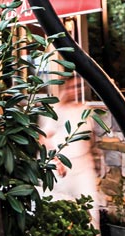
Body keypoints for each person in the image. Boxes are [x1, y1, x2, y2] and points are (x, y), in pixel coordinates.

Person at [39, 75, 100, 228]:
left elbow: (89, 140)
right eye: (72, 87)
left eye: (78, 87)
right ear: (65, 88)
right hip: (60, 170)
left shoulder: (85, 111)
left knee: (91, 210)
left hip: (83, 168)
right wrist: (56, 161)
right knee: (59, 214)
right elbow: (44, 138)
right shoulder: (55, 110)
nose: (75, 91)